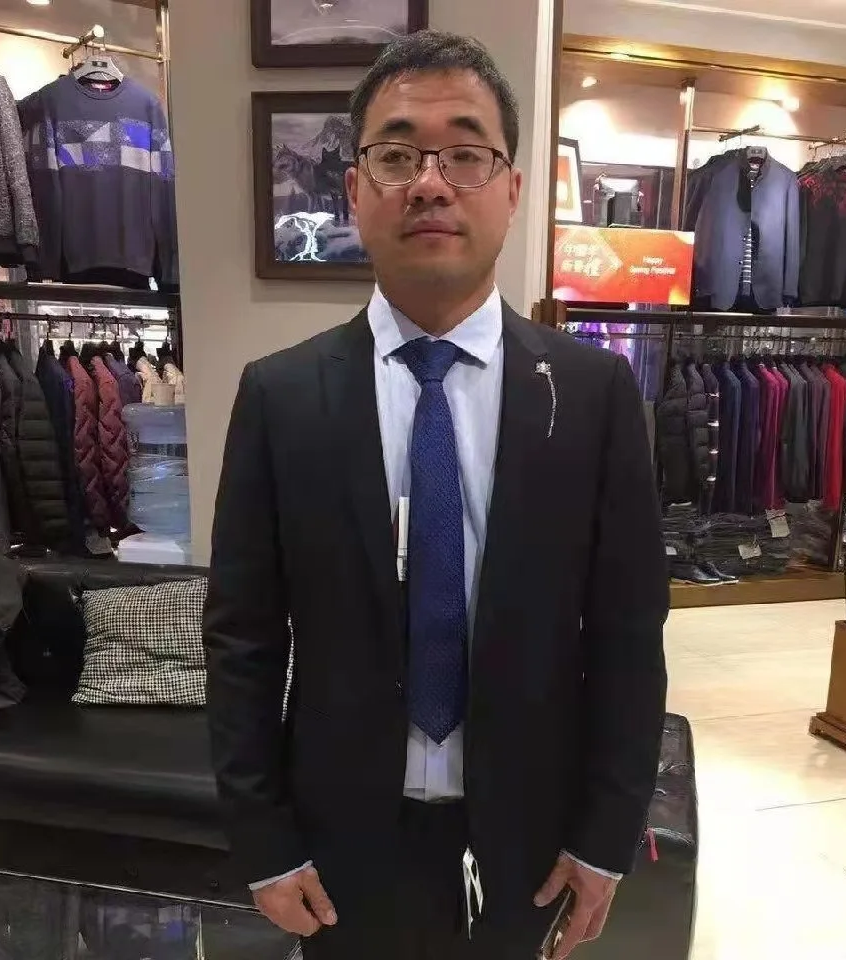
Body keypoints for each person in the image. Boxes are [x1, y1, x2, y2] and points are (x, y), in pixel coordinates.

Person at [203, 30, 668, 960]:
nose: (429, 183)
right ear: (354, 191)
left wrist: (606, 835)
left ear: (513, 189)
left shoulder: (593, 395)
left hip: (532, 837)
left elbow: (627, 635)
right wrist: (262, 840)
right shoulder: (281, 396)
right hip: (339, 842)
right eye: (396, 155)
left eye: (465, 153)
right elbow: (243, 640)